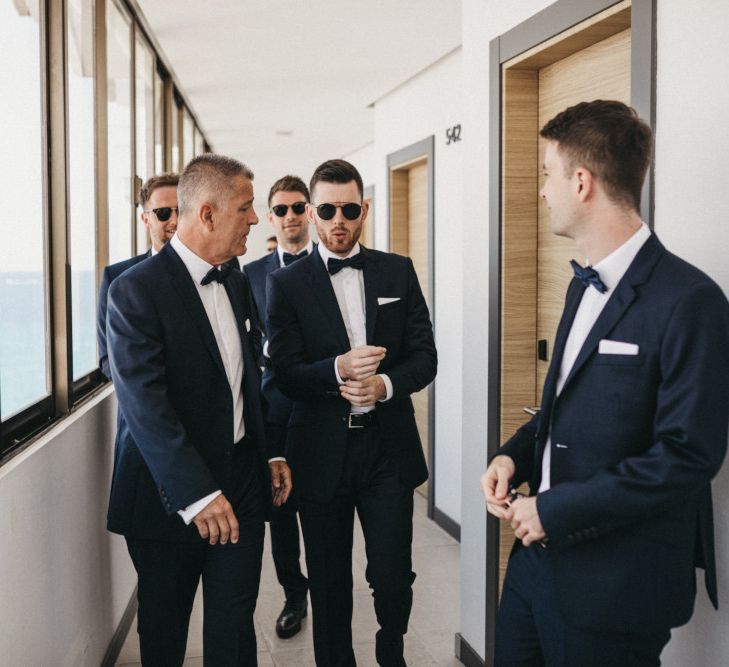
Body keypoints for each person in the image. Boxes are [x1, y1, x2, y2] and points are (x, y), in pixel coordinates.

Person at [480, 100, 729, 666]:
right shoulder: (580, 286)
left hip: (618, 585)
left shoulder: (691, 301)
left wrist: (555, 510)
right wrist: (513, 456)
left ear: (582, 181)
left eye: (548, 175)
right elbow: (566, 405)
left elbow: (688, 455)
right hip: (532, 565)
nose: (543, 190)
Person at [106, 154, 292, 666]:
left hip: (243, 480)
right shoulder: (133, 290)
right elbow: (147, 408)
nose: (256, 220)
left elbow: (248, 379)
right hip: (168, 496)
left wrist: (270, 450)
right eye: (246, 209)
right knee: (165, 632)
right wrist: (197, 493)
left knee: (234, 628)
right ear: (208, 215)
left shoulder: (234, 280)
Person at [266, 159, 437, 666]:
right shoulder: (287, 284)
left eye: (348, 208)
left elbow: (425, 357)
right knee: (328, 578)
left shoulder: (396, 270)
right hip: (320, 451)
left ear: (363, 209)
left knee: (391, 573)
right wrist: (336, 369)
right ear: (313, 214)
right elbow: (285, 375)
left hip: (387, 448)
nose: (338, 219)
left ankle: (391, 650)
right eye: (326, 209)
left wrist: (385, 384)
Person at [243, 175, 312, 638]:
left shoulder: (329, 265)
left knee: (324, 510)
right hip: (274, 411)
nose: (290, 216)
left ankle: (330, 589)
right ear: (271, 217)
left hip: (324, 408)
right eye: (281, 209)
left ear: (309, 211)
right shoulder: (249, 275)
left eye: (297, 207)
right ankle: (294, 594)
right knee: (281, 513)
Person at [97, 172, 179, 378]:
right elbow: (108, 358)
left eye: (182, 211)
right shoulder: (117, 277)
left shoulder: (217, 269)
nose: (175, 220)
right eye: (163, 213)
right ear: (145, 219)